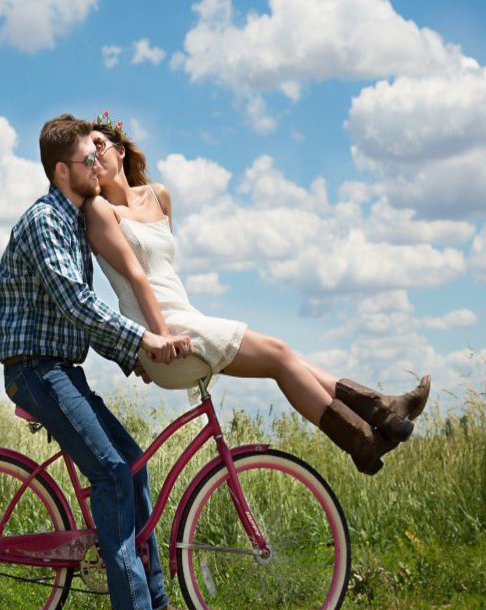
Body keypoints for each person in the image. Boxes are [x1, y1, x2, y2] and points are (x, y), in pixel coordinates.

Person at [83, 112, 431, 476]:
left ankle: (380, 416)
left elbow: (164, 273)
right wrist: (157, 339)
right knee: (279, 356)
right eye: (87, 155)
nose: (94, 157)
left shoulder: (160, 196)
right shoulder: (99, 209)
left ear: (121, 150)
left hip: (184, 320)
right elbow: (138, 278)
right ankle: (367, 434)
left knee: (285, 357)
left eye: (100, 146)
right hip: (163, 334)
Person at [0, 114, 196, 610]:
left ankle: (155, 603)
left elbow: (80, 322)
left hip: (62, 368)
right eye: (89, 158)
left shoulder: (73, 223)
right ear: (63, 170)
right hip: (36, 370)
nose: (97, 165)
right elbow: (77, 304)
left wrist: (132, 356)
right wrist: (142, 339)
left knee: (133, 463)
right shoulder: (45, 221)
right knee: (110, 474)